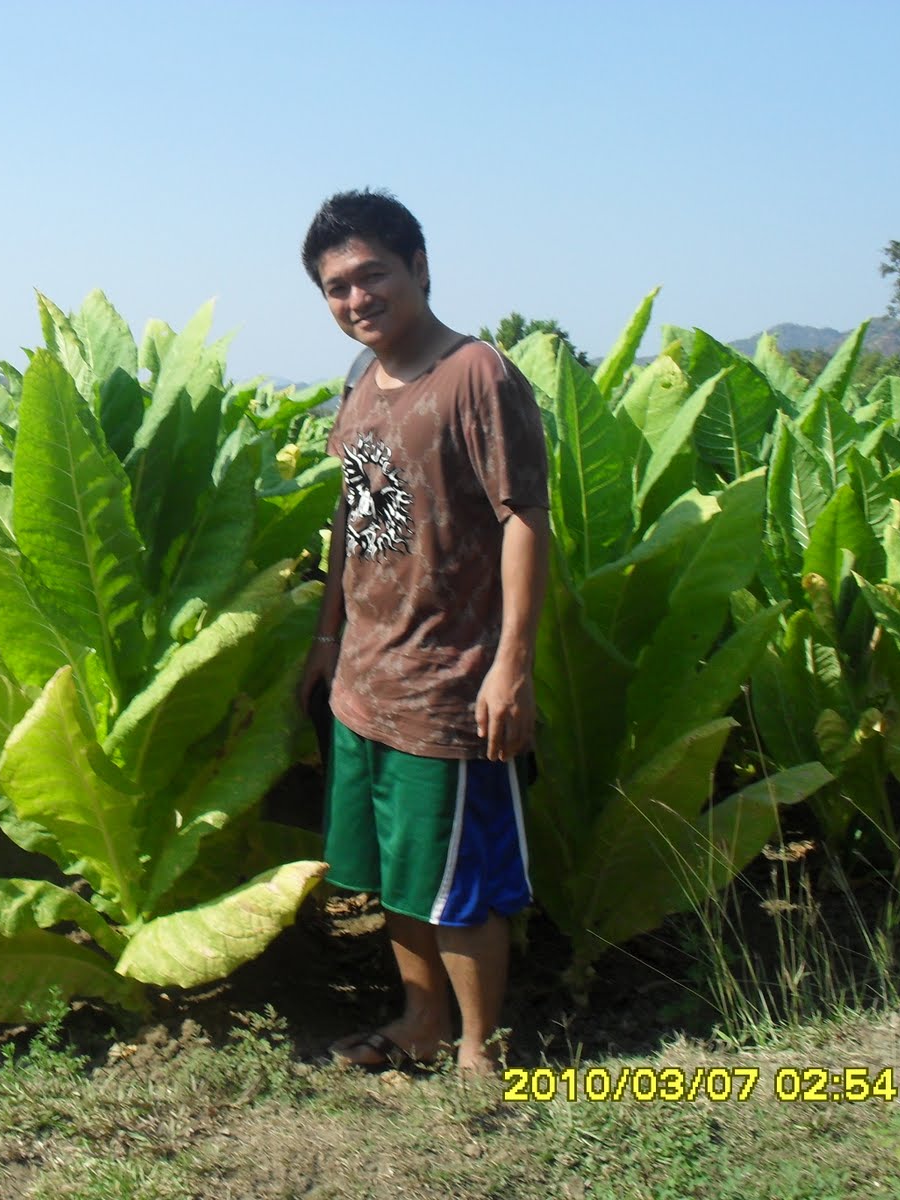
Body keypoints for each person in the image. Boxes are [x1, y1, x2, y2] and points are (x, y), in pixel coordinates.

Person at [297, 189, 550, 1076]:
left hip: (453, 682)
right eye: (336, 287)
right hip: (368, 681)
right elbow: (353, 518)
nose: (356, 299)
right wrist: (328, 644)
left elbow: (525, 517)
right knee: (399, 873)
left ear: (420, 269)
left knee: (463, 878)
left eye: (372, 276)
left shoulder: (476, 373)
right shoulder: (362, 383)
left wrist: (510, 664)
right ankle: (420, 1022)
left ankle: (482, 1050)